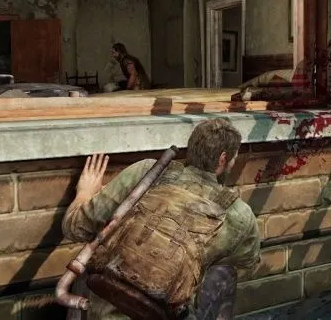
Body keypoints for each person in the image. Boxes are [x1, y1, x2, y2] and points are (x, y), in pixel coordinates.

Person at [62, 118, 261, 319]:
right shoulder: (239, 214)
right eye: (234, 158)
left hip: (103, 307)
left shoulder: (147, 171)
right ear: (222, 159)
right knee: (224, 273)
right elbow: (249, 265)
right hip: (168, 314)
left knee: (94, 250)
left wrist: (84, 193)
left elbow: (74, 227)